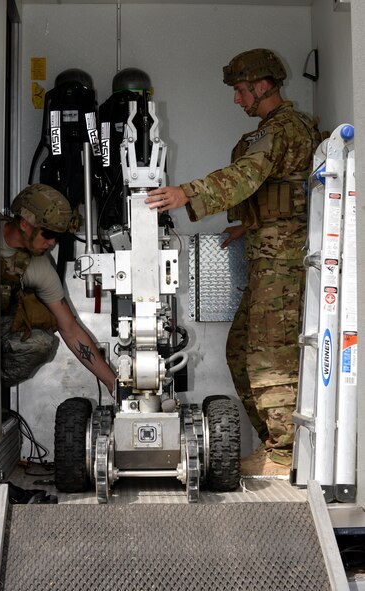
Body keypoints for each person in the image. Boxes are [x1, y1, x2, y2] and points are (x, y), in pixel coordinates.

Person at [146, 48, 321, 476]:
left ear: (262, 86)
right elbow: (280, 192)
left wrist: (185, 192)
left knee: (267, 358)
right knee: (241, 349)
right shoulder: (278, 129)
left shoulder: (282, 129)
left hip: (283, 265)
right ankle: (276, 444)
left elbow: (246, 175)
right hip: (270, 257)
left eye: (241, 91)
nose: (237, 99)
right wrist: (247, 225)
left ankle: (286, 454)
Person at [0, 183, 116, 394]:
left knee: (40, 343)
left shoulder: (39, 266)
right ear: (25, 224)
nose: (52, 243)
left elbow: (70, 329)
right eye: (47, 234)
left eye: (58, 237)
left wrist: (113, 384)